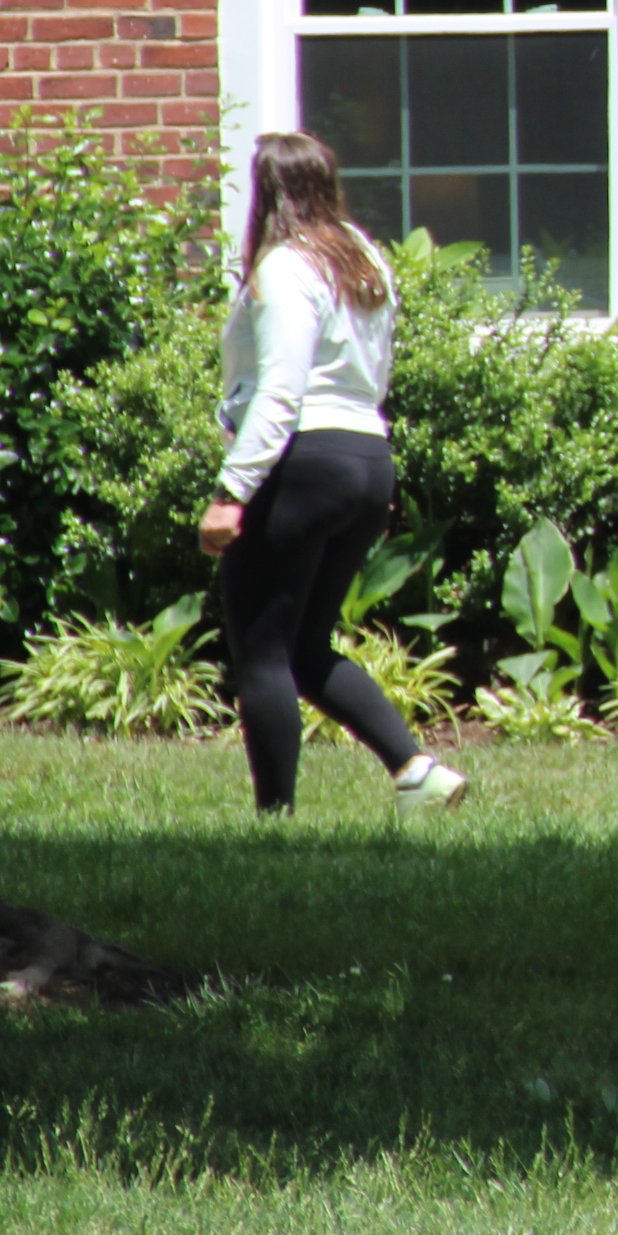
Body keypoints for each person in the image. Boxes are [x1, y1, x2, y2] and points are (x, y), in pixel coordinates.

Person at [198, 132, 465, 817]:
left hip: (304, 460)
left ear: (266, 193)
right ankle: (416, 773)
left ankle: (275, 819)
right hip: (367, 459)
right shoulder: (363, 259)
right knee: (305, 647)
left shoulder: (288, 267)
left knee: (262, 650)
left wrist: (232, 491)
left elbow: (281, 390)